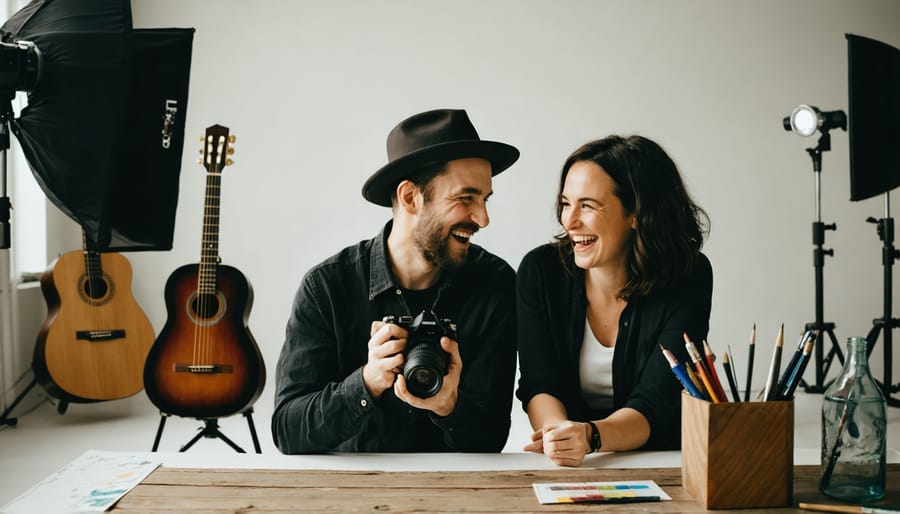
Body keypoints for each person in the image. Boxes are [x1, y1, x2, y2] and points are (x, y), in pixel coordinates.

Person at [272, 109, 520, 453]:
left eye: (485, 199)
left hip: (453, 496)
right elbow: (288, 431)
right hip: (353, 497)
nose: (483, 218)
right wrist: (366, 382)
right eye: (466, 198)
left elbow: (492, 437)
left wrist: (450, 407)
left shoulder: (494, 284)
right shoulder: (328, 287)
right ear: (409, 198)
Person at [516, 135, 712, 466]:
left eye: (587, 205)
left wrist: (590, 437)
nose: (569, 220)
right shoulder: (540, 271)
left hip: (659, 459)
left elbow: (657, 399)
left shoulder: (688, 276)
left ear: (636, 213)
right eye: (566, 203)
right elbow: (539, 381)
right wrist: (559, 435)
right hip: (574, 462)